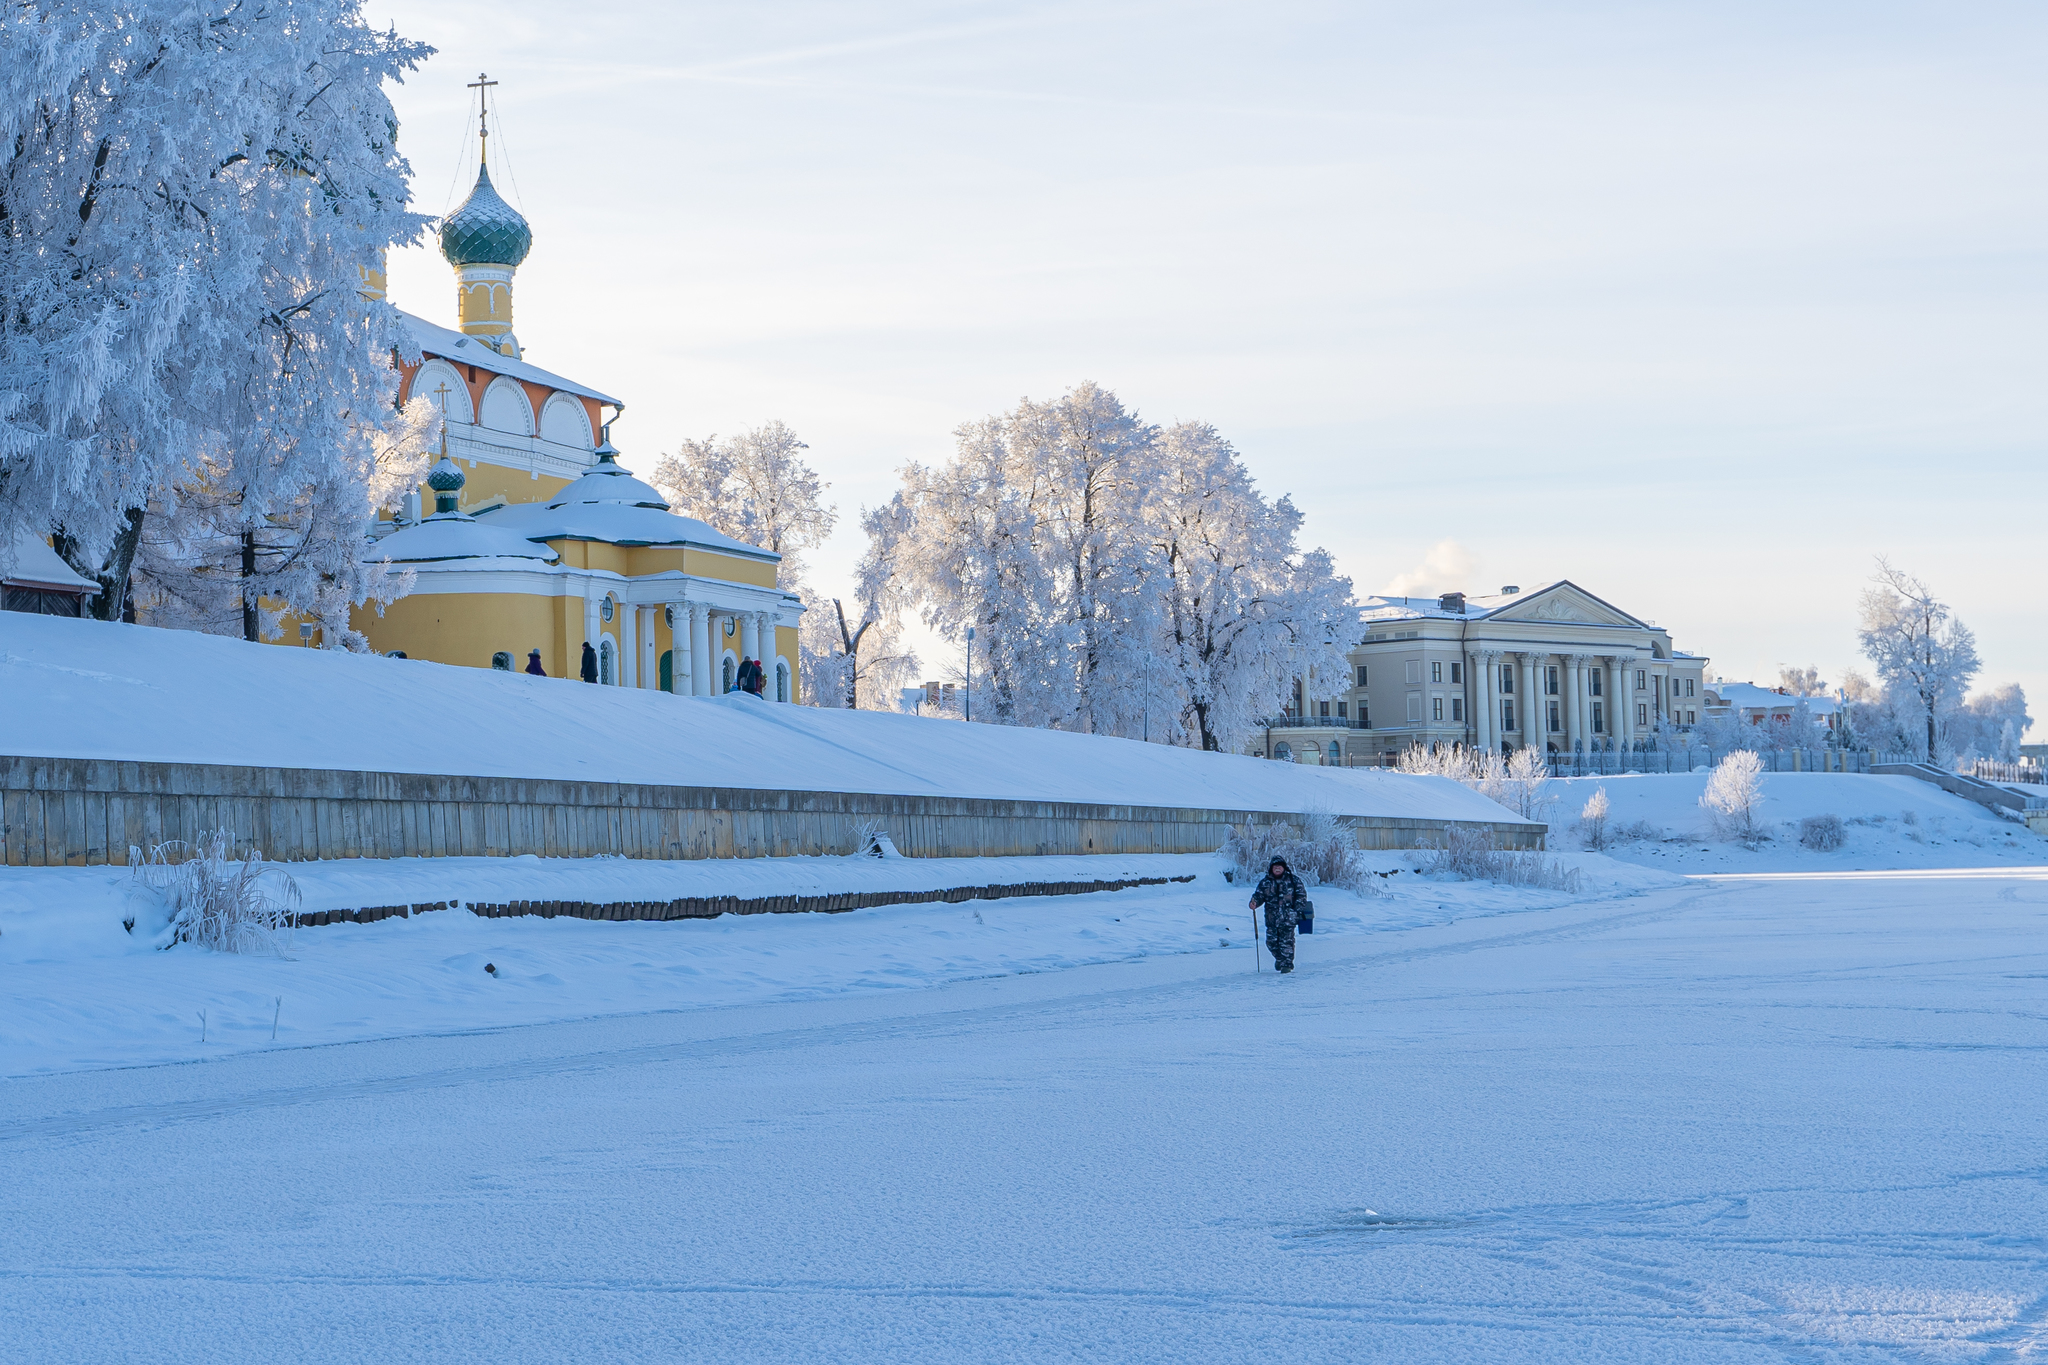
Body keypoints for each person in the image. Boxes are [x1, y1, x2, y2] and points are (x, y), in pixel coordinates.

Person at [1249, 855, 1309, 974]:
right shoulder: (1265, 882)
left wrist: (1296, 911)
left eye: (1279, 866)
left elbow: (1301, 896)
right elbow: (1259, 896)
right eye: (1275, 866)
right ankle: (1280, 959)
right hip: (1271, 919)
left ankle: (1287, 966)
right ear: (1271, 868)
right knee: (1271, 942)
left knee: (1286, 942)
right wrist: (1254, 902)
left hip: (1288, 918)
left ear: (1284, 868)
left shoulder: (1293, 880)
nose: (1277, 868)